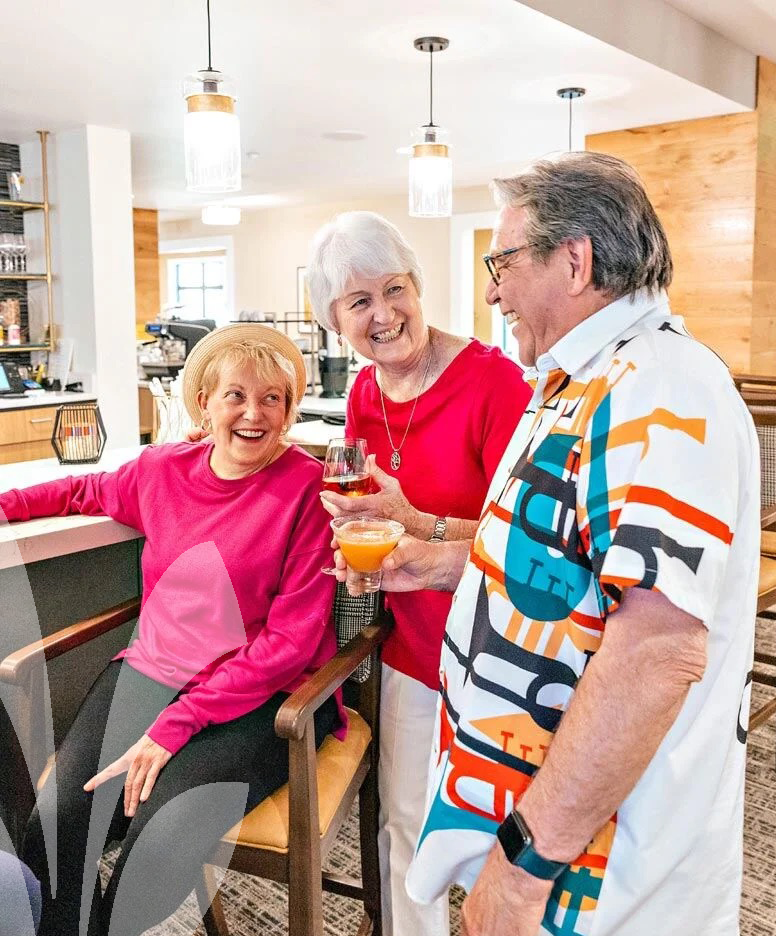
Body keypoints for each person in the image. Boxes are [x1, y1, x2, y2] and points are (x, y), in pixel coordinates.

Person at [335, 154, 759, 936]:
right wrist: (436, 562)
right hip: (566, 839)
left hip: (610, 872)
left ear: (575, 260)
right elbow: (563, 565)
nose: (491, 292)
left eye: (501, 263)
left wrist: (523, 867)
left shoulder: (661, 389)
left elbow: (655, 653)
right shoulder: (579, 382)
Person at [0, 324, 342, 936]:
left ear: (289, 411)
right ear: (204, 404)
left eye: (272, 398)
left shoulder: (308, 490)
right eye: (236, 395)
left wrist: (177, 723)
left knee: (157, 845)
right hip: (150, 674)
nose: (253, 413)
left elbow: (288, 646)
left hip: (266, 698)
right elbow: (81, 491)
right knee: (57, 825)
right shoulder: (162, 469)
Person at [307, 210, 532, 936]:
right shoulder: (362, 395)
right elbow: (364, 516)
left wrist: (419, 522)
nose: (384, 314)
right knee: (407, 824)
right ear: (335, 321)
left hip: (499, 649)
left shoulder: (495, 383)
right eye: (359, 301)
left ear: (418, 285)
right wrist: (360, 553)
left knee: (507, 837)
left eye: (394, 288)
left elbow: (531, 539)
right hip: (409, 646)